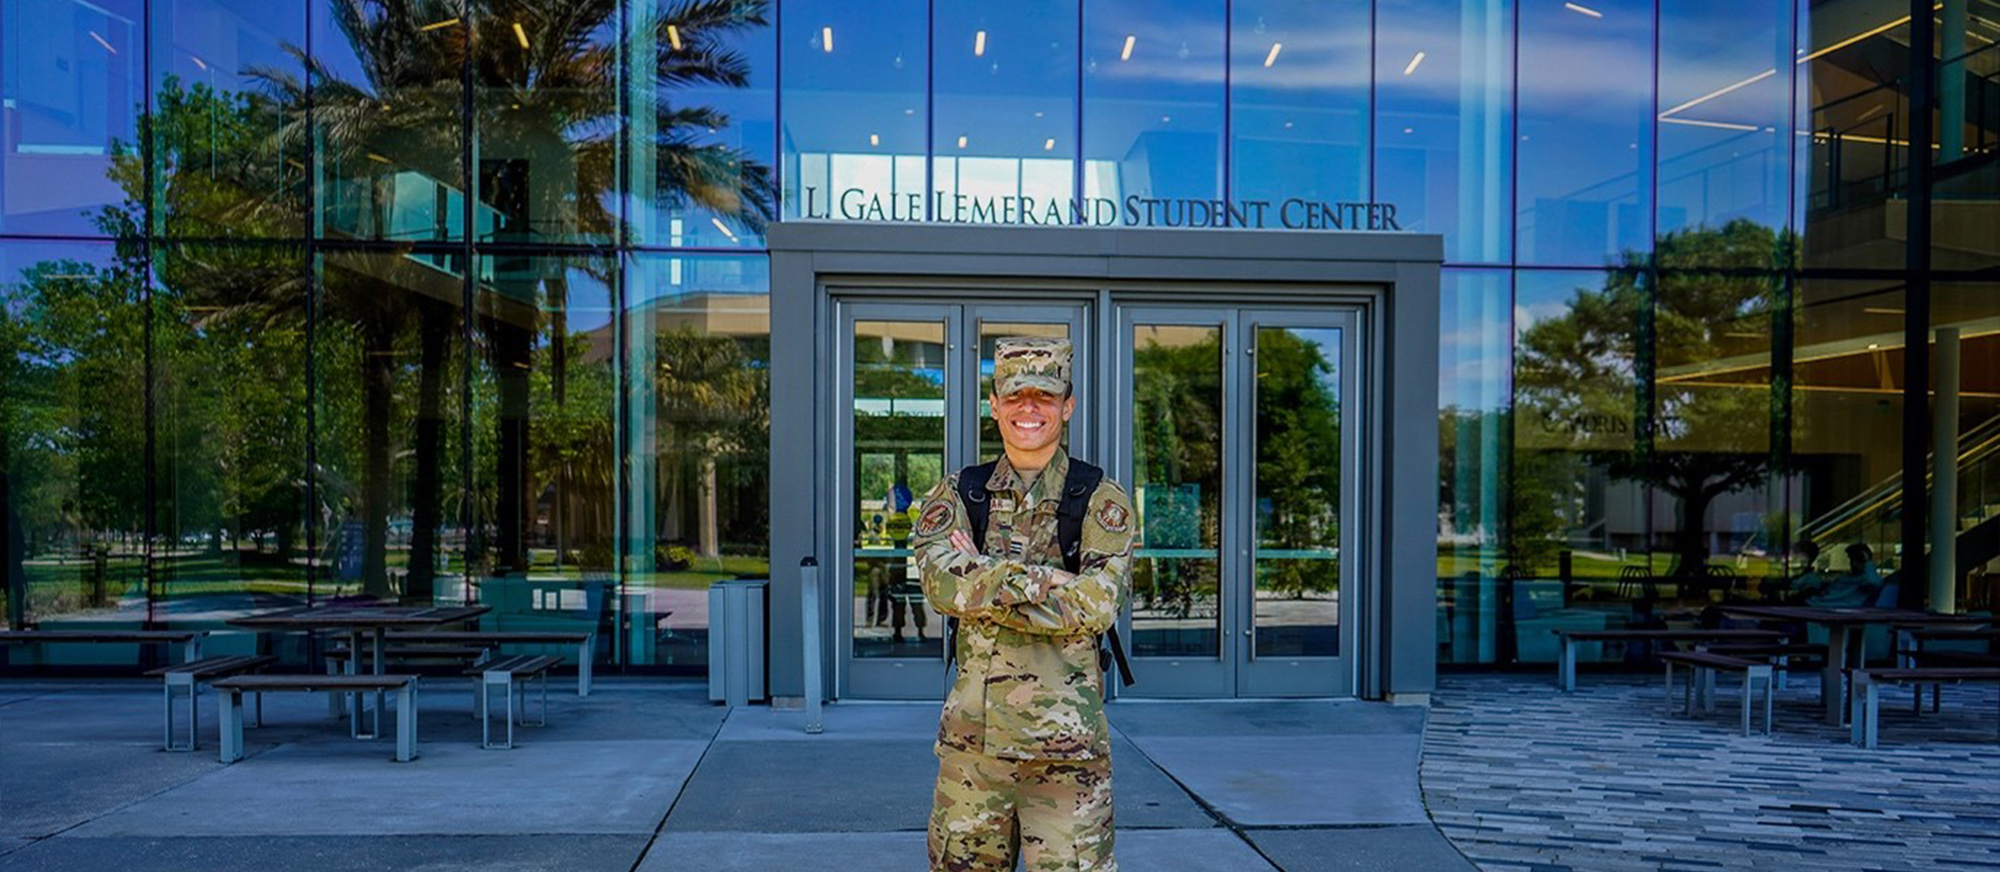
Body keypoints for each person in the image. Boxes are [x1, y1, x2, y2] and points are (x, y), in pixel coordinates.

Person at [911, 337, 1134, 872]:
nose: (1028, 408)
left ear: (1068, 404)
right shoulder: (961, 494)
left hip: (1067, 759)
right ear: (994, 404)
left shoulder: (1101, 499)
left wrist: (984, 579)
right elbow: (942, 587)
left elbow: (1098, 604)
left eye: (1044, 395)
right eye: (1014, 396)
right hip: (974, 754)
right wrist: (1049, 582)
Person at [1805, 543, 1882, 608]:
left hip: (1830, 610)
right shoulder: (1843, 577)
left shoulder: (1866, 581)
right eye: (1851, 559)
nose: (1854, 564)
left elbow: (1875, 583)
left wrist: (1867, 562)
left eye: (1859, 560)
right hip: (1816, 603)